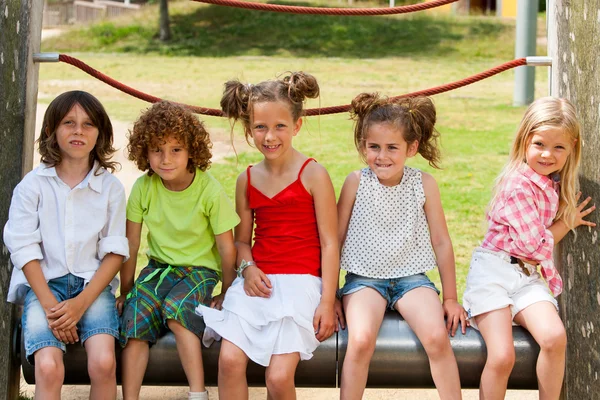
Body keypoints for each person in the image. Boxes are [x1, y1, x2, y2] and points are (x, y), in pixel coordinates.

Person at [197, 71, 341, 400]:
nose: (270, 136)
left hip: (302, 284)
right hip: (257, 281)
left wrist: (328, 300)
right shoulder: (246, 179)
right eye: (260, 127)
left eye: (280, 126)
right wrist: (245, 270)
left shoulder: (314, 174)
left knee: (278, 378)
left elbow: (331, 243)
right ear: (249, 129)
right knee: (230, 362)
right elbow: (241, 242)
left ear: (297, 126)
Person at [463, 97, 596, 399]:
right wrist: (567, 222)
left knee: (554, 337)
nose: (548, 154)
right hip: (494, 273)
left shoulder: (551, 182)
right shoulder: (518, 185)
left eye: (559, 147)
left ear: (572, 147)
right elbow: (530, 248)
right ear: (524, 140)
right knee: (502, 356)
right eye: (539, 144)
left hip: (525, 278)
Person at [337, 93, 465, 400]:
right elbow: (334, 240)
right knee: (362, 339)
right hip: (363, 280)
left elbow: (442, 242)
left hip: (412, 279)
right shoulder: (355, 182)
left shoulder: (424, 183)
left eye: (392, 147)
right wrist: (328, 296)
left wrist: (450, 297)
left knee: (436, 337)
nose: (382, 156)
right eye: (374, 147)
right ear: (363, 146)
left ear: (411, 148)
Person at [4, 91, 129, 400]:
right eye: (68, 123)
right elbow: (23, 250)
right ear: (51, 131)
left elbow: (114, 253)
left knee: (103, 363)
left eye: (88, 124)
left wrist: (80, 304)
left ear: (100, 133)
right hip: (45, 287)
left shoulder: (110, 187)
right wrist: (52, 308)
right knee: (48, 367)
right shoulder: (32, 186)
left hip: (92, 287)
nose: (78, 131)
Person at [117, 101, 239, 400]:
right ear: (144, 151)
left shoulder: (209, 191)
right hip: (158, 269)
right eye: (157, 149)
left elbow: (226, 246)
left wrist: (228, 290)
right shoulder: (144, 187)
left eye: (175, 150)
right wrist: (127, 289)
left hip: (200, 271)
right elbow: (131, 242)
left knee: (177, 312)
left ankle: (198, 393)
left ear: (191, 151)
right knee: (134, 317)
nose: (166, 159)